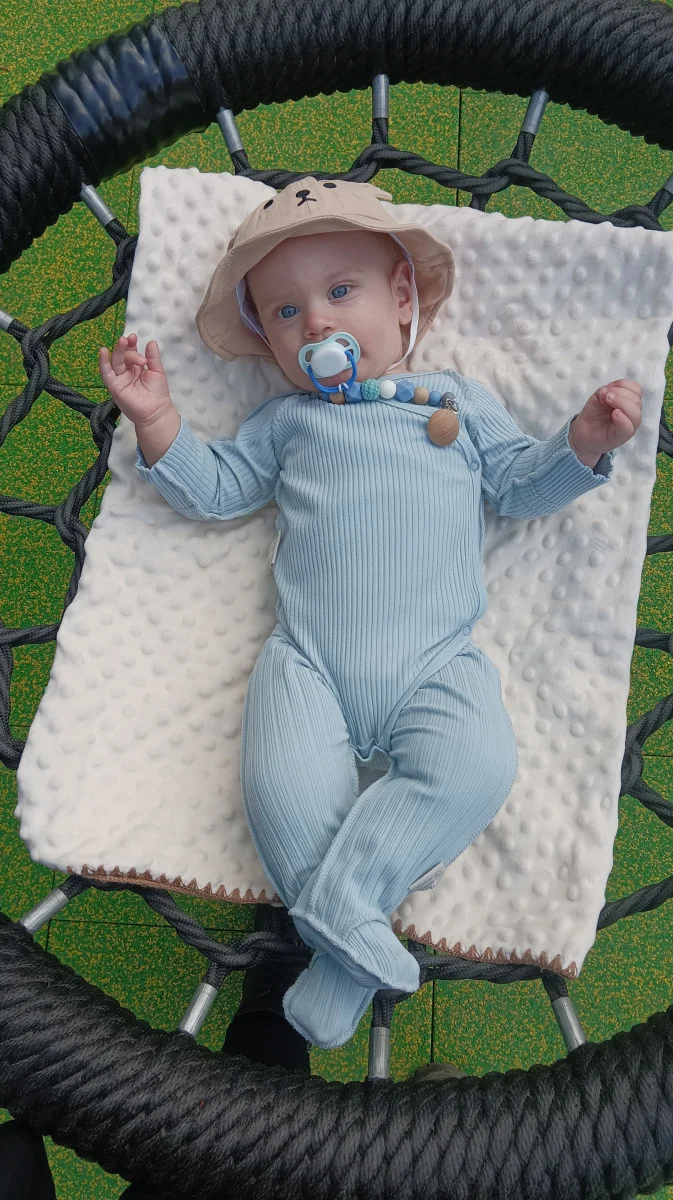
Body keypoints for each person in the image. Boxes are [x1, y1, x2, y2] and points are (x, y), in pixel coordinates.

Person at [98, 176, 643, 1050]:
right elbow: (217, 490)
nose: (314, 323)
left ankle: (341, 927)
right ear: (267, 340)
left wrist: (579, 444)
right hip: (308, 663)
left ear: (399, 298)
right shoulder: (286, 422)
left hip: (435, 662)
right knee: (278, 791)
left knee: (476, 766)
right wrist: (158, 418)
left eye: (339, 291)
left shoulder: (455, 402)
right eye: (285, 313)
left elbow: (517, 486)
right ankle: (355, 918)